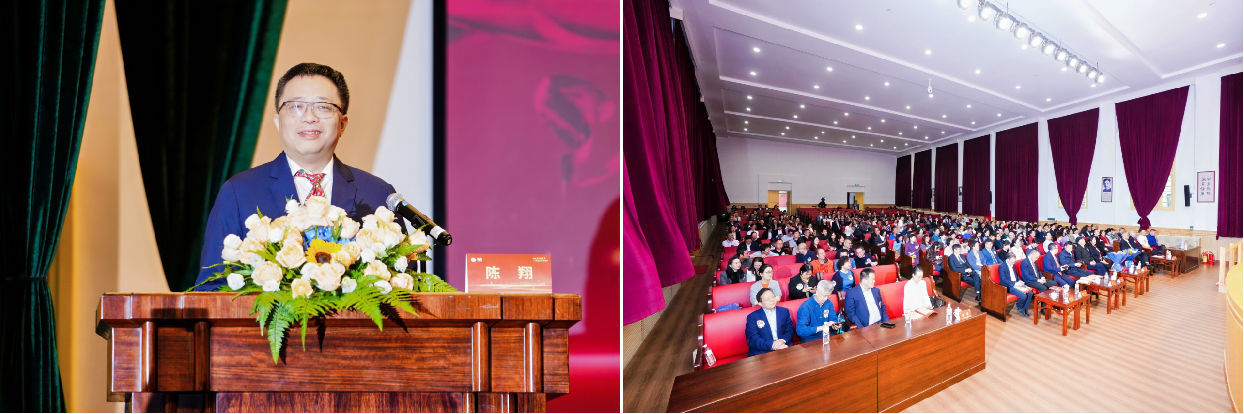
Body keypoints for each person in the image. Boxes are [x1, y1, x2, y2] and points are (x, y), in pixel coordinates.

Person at [196, 63, 405, 290]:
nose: (309, 117)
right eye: (296, 106)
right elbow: (211, 287)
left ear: (342, 123)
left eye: (323, 107)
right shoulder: (239, 193)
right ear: (278, 121)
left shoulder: (378, 195)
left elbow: (404, 287)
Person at [745, 289, 794, 356]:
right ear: (760, 303)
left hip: (783, 346)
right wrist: (772, 345)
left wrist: (782, 340)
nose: (772, 300)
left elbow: (790, 330)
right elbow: (753, 339)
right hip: (762, 351)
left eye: (773, 296)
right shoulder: (752, 317)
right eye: (767, 299)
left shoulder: (784, 311)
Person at [996, 252, 1034, 318]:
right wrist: (1014, 283)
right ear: (1007, 260)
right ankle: (1020, 308)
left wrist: (1020, 280)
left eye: (1014, 262)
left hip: (1016, 283)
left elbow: (1016, 275)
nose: (1013, 263)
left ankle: (1023, 307)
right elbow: (1003, 279)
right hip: (1008, 285)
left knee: (1030, 292)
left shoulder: (1013, 265)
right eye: (1012, 262)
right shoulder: (1002, 267)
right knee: (1023, 296)